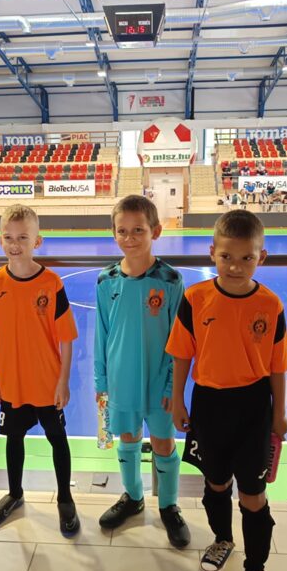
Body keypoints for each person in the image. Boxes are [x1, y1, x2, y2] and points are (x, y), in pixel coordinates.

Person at [167, 210, 287, 571]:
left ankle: (256, 566)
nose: (235, 266)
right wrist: (178, 400)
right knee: (217, 483)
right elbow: (181, 354)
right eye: (226, 257)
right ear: (212, 253)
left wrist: (279, 413)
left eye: (246, 258)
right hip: (208, 404)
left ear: (261, 257)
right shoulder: (195, 298)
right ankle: (222, 540)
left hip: (254, 408)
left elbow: (278, 366)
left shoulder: (270, 304)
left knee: (253, 495)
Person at [94, 195, 190, 548]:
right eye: (122, 231)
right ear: (113, 233)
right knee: (128, 436)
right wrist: (101, 381)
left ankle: (168, 505)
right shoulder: (106, 280)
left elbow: (179, 341)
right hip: (120, 380)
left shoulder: (170, 280)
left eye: (138, 230)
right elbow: (101, 334)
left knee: (163, 441)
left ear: (156, 232)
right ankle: (133, 497)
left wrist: (172, 388)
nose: (129, 237)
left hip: (159, 381)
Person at [0, 204, 80, 536]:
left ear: (37, 241)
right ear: (0, 240)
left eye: (23, 237)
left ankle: (65, 498)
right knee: (13, 438)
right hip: (12, 383)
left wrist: (63, 382)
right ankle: (14, 493)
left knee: (57, 438)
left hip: (47, 382)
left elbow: (66, 338)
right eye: (8, 237)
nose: (15, 244)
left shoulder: (51, 283)